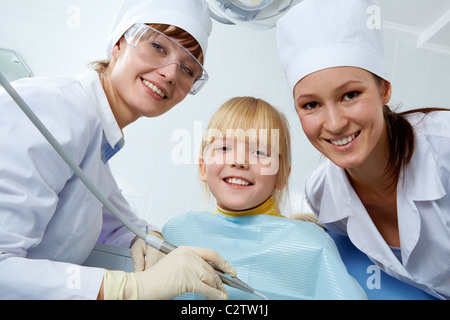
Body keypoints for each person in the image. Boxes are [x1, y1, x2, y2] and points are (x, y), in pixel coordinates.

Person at [0, 0, 237, 300]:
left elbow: (120, 219)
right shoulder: (57, 110)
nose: (170, 74)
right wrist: (124, 290)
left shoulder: (97, 144)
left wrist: (151, 239)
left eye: (188, 69)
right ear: (119, 43)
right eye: (158, 47)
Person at [277, 0, 450, 299]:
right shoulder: (320, 194)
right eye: (311, 105)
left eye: (350, 95)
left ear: (384, 88)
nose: (334, 123)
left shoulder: (444, 144)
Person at [162, 97, 367, 299]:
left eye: (259, 152)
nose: (239, 161)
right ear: (203, 168)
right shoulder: (176, 235)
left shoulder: (311, 247)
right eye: (224, 148)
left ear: (281, 176)